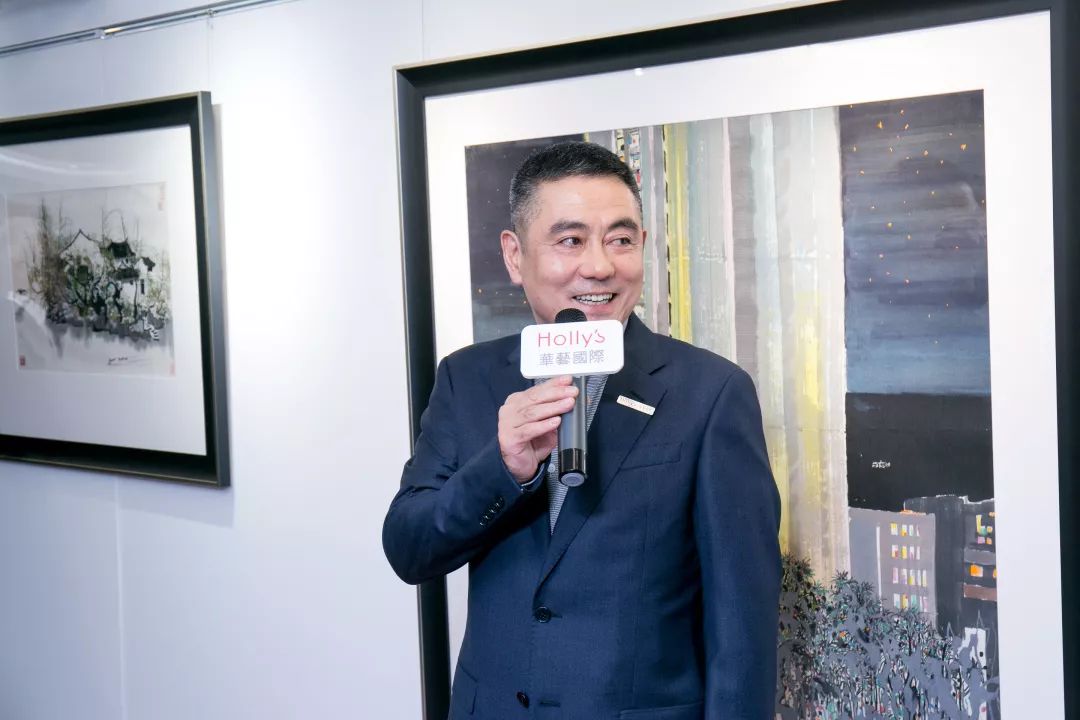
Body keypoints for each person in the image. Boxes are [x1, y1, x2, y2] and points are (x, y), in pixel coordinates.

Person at [383, 141, 780, 719]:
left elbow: (742, 628)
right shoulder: (466, 378)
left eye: (620, 240)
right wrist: (502, 468)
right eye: (570, 240)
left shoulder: (712, 394)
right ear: (515, 255)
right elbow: (408, 548)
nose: (599, 266)